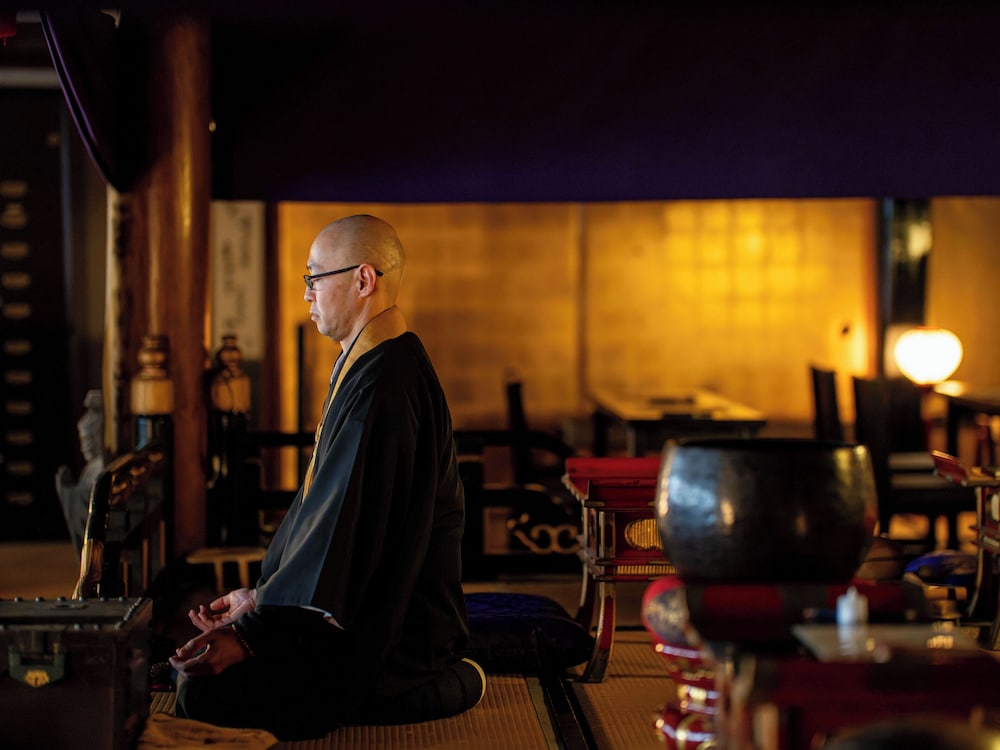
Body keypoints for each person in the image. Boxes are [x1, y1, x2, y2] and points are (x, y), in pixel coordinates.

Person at [169, 215, 485, 739]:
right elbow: (332, 522)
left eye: (315, 278)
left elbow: (346, 532)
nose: (308, 294)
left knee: (204, 691)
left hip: (394, 637)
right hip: (362, 608)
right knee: (192, 671)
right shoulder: (373, 364)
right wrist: (261, 601)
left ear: (363, 281)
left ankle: (442, 684)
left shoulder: (385, 385)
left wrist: (254, 634)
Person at [55, 389, 106, 556]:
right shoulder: (90, 470)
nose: (86, 444)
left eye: (91, 437)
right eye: (84, 438)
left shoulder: (102, 469)